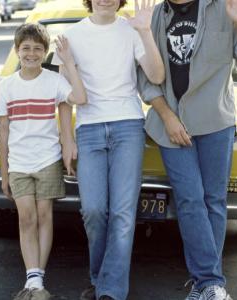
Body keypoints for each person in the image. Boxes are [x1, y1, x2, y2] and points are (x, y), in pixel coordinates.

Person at [137, 0, 237, 299]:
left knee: (213, 201)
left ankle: (205, 284)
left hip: (215, 120)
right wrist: (168, 117)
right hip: (171, 124)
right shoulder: (155, 15)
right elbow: (145, 78)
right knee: (190, 200)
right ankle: (212, 283)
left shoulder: (222, 7)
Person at [52, 0, 165, 299]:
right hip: (88, 130)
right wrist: (67, 140)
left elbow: (156, 76)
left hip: (127, 126)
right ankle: (100, 277)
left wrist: (145, 32)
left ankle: (109, 290)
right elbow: (63, 97)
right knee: (93, 210)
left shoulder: (131, 30)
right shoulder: (71, 35)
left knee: (123, 213)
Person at [0, 23, 87, 300]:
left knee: (45, 215)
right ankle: (32, 277)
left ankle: (38, 280)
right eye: (26, 48)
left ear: (45, 52)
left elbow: (80, 98)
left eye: (37, 49)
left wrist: (69, 63)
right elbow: (3, 130)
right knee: (26, 217)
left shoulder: (53, 81)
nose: (31, 54)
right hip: (20, 163)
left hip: (47, 159)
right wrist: (4, 172)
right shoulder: (7, 86)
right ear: (17, 50)